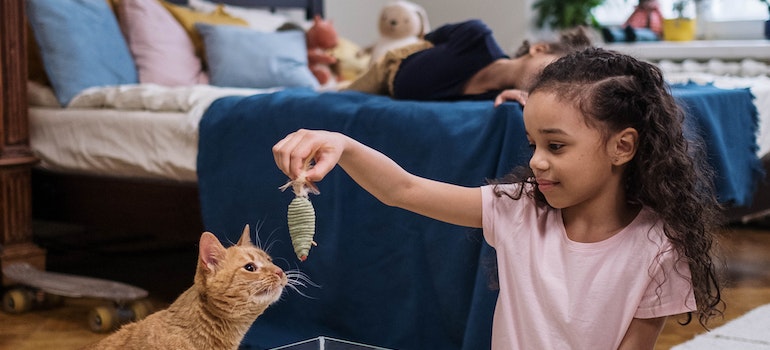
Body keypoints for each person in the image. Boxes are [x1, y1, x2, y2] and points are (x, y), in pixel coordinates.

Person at [273, 47, 724, 348]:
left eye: (556, 146)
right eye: (533, 145)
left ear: (621, 147)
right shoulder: (517, 210)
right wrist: (343, 144)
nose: (538, 162)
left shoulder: (660, 248)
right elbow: (403, 189)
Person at [344, 19, 593, 106]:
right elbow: (428, 38)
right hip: (391, 66)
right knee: (342, 92)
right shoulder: (476, 36)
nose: (550, 80)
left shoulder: (501, 97)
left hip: (399, 92)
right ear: (538, 49)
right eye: (552, 68)